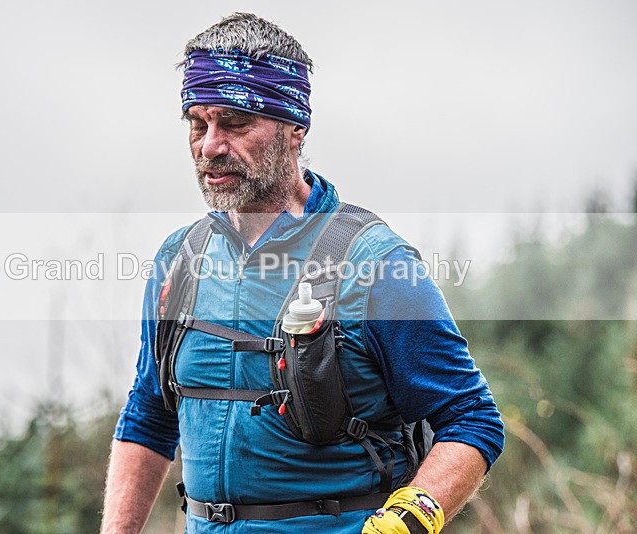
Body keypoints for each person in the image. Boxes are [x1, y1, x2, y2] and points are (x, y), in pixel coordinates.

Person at [101, 13, 504, 534]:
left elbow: (471, 420)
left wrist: (406, 521)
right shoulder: (178, 261)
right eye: (197, 124)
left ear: (295, 128)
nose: (210, 146)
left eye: (235, 122)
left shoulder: (376, 264)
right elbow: (150, 415)